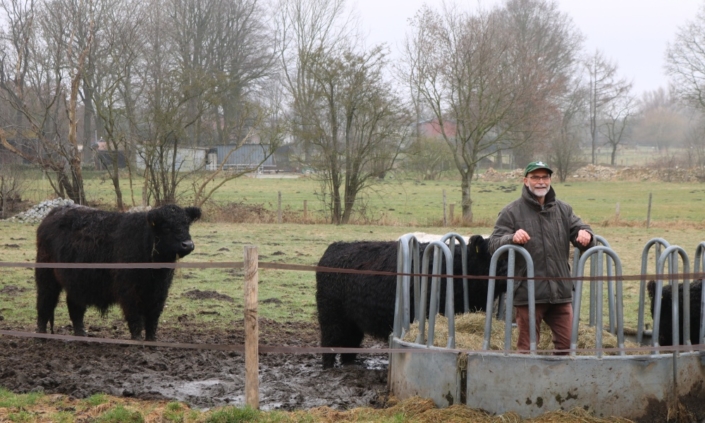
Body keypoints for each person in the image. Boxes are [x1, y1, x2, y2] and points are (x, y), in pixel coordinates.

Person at [488, 161, 594, 355]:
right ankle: (527, 375)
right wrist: (511, 238)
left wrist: (586, 235)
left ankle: (560, 376)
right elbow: (493, 244)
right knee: (527, 350)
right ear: (525, 181)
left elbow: (582, 230)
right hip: (528, 293)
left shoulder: (563, 210)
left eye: (545, 177)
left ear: (550, 180)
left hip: (560, 291)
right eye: (535, 177)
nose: (541, 182)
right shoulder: (511, 212)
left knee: (567, 347)